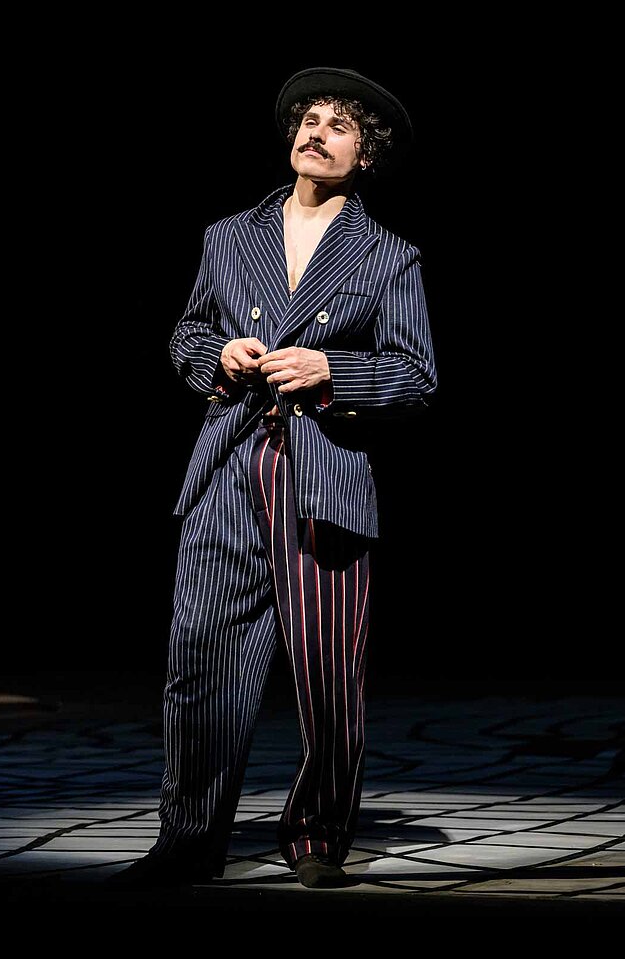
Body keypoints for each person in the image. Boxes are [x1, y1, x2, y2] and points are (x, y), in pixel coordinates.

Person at [109, 67, 437, 890]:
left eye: (339, 125)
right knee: (201, 663)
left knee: (327, 673)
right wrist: (215, 355)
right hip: (227, 464)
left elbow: (415, 375)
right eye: (308, 118)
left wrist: (331, 369)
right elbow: (187, 333)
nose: (316, 131)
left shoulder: (386, 254)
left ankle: (318, 835)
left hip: (322, 473)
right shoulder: (228, 236)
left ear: (366, 155)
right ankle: (188, 840)